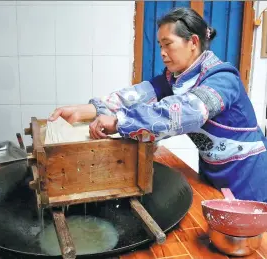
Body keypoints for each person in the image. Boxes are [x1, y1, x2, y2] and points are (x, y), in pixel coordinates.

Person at [49, 7, 267, 202]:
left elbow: (184, 112)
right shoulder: (176, 78)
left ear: (193, 42)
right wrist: (86, 110)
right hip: (213, 173)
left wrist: (119, 122)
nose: (162, 52)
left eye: (168, 44)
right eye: (160, 45)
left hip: (248, 177)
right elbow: (136, 95)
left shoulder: (222, 79)